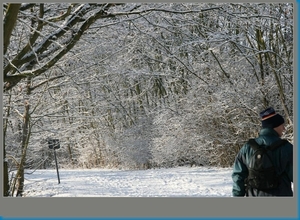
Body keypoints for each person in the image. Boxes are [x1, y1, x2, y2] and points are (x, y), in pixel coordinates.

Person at [232, 107, 293, 197]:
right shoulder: (287, 148)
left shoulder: (247, 147)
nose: (284, 128)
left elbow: (238, 176)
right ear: (274, 126)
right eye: (282, 125)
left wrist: (238, 196)